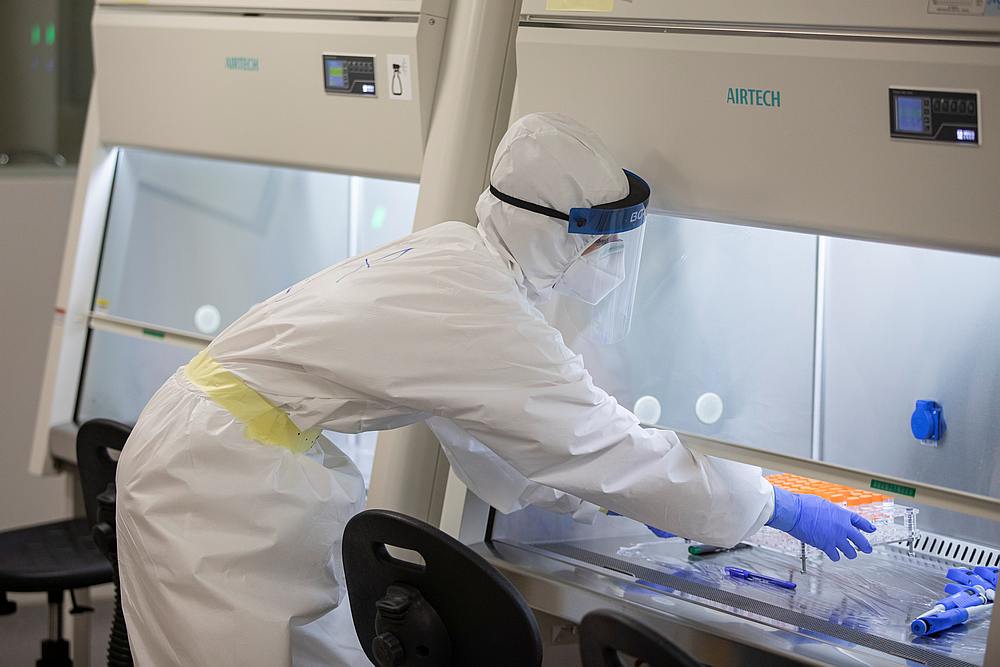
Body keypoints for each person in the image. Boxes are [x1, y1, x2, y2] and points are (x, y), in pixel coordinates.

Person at [116, 113, 875, 667]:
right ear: (559, 232)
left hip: (229, 450)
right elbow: (600, 441)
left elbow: (494, 440)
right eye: (601, 241)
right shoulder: (486, 310)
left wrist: (630, 506)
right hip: (214, 475)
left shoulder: (459, 257)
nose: (607, 260)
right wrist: (769, 504)